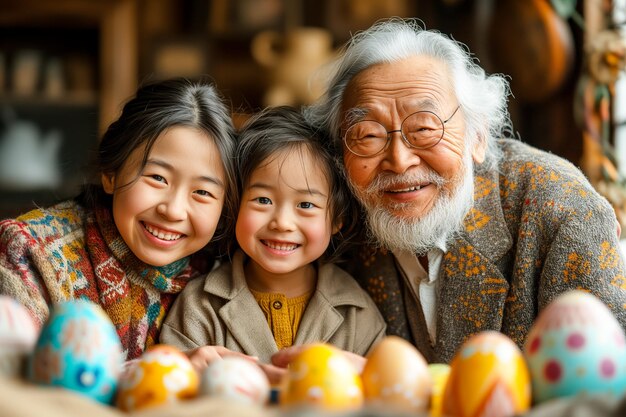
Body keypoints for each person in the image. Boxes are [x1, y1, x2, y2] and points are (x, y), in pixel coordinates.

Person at [270, 17, 626, 370]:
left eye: (424, 128)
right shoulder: (335, 217)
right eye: (367, 135)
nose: (399, 160)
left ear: (478, 136)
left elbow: (606, 391)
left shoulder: (562, 210)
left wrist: (393, 384)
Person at [0, 77, 238, 360]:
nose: (173, 210)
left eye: (202, 192)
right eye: (157, 178)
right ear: (111, 174)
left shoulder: (218, 274)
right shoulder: (28, 253)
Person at [160, 106, 386, 372]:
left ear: (337, 218)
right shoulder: (199, 305)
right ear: (234, 204)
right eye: (263, 200)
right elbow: (168, 390)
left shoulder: (357, 312)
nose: (282, 223)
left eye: (306, 204)